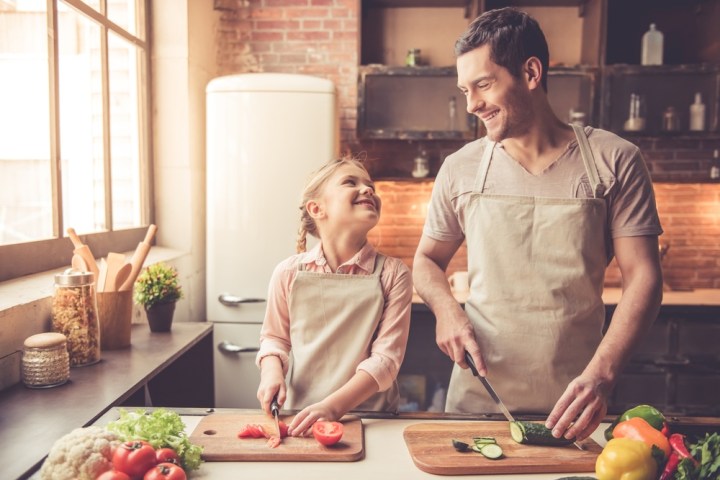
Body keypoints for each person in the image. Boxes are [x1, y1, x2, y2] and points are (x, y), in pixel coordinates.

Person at [413, 7, 663, 442]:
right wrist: (447, 312)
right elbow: (426, 261)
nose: (472, 105)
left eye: (484, 85)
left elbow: (643, 275)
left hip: (579, 404)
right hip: (479, 403)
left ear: (530, 72)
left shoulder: (614, 159)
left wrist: (602, 375)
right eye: (464, 89)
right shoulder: (461, 168)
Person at [256, 157, 413, 436]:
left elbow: (385, 361)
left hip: (371, 419)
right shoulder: (288, 272)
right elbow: (275, 338)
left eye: (370, 186)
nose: (368, 190)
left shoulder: (394, 274)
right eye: (350, 182)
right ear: (317, 208)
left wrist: (332, 407)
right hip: (300, 416)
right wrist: (271, 372)